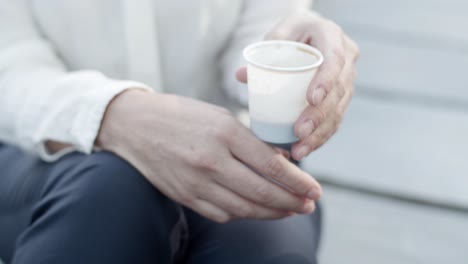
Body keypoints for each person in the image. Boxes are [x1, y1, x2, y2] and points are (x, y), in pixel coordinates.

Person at [0, 0, 359, 263]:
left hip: (225, 146)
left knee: (262, 241)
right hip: (35, 148)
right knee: (111, 192)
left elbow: (254, 33)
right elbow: (11, 69)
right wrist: (116, 114)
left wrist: (286, 51)